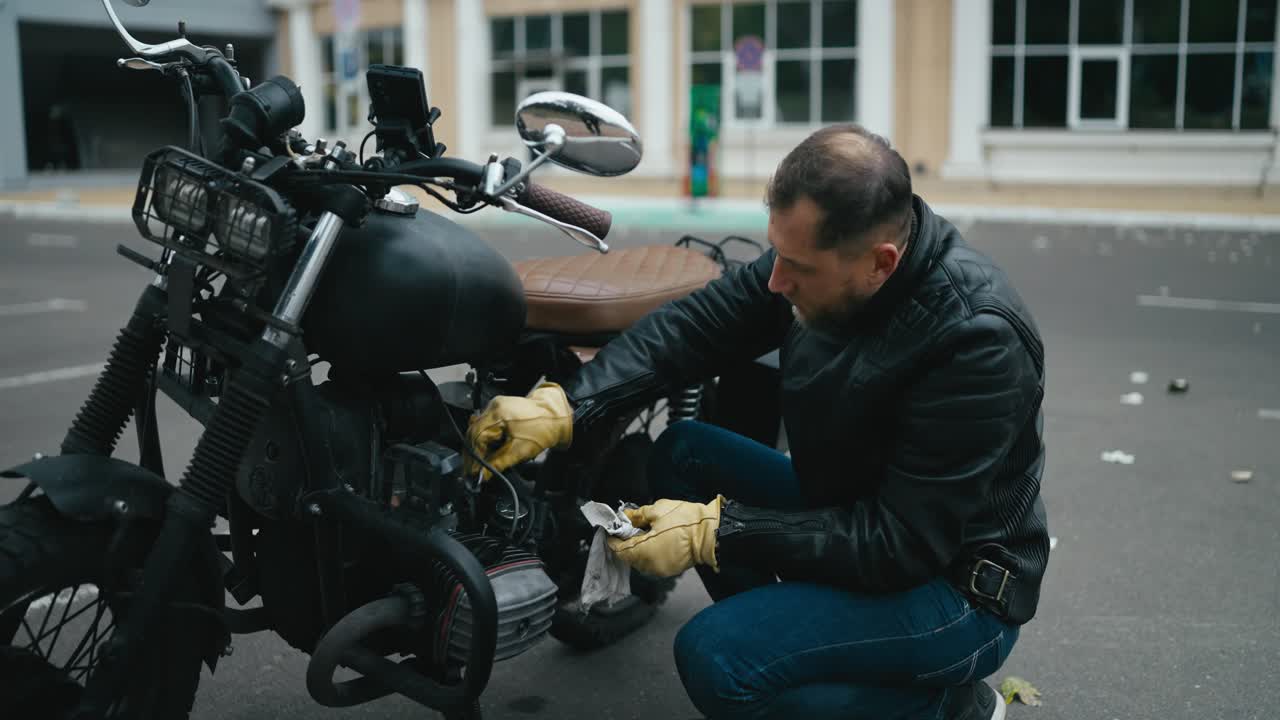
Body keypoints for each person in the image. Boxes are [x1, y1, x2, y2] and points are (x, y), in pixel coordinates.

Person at [467, 124, 1049, 720]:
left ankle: (952, 707)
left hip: (952, 589)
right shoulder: (825, 262)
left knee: (716, 657)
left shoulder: (977, 340)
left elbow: (899, 543)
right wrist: (567, 404)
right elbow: (694, 327)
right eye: (778, 255)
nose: (775, 282)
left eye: (796, 267)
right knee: (685, 453)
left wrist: (716, 531)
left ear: (881, 263)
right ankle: (802, 647)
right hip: (850, 509)